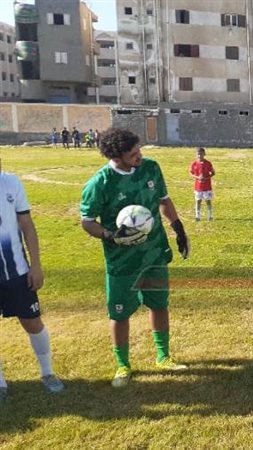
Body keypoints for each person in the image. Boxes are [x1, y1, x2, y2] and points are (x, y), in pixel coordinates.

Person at [80, 128, 190, 388]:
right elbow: (87, 221)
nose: (139, 155)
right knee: (119, 313)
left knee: (159, 304)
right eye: (133, 153)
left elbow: (164, 201)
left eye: (139, 149)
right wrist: (109, 235)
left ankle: (163, 356)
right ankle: (123, 365)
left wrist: (178, 228)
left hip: (153, 253)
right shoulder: (100, 183)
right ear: (117, 157)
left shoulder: (151, 168)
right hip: (122, 261)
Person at [0, 171, 65, 403]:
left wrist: (35, 265)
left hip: (17, 271)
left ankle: (47, 372)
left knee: (33, 323)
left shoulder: (10, 182)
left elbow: (27, 224)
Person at [189, 147, 215, 222]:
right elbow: (191, 173)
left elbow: (213, 173)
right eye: (198, 154)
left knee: (208, 201)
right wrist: (198, 177)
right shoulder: (194, 164)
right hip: (198, 187)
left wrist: (206, 178)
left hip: (207, 187)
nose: (200, 156)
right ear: (196, 154)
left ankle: (210, 216)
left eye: (201, 154)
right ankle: (197, 216)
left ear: (204, 154)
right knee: (198, 201)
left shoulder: (208, 163)